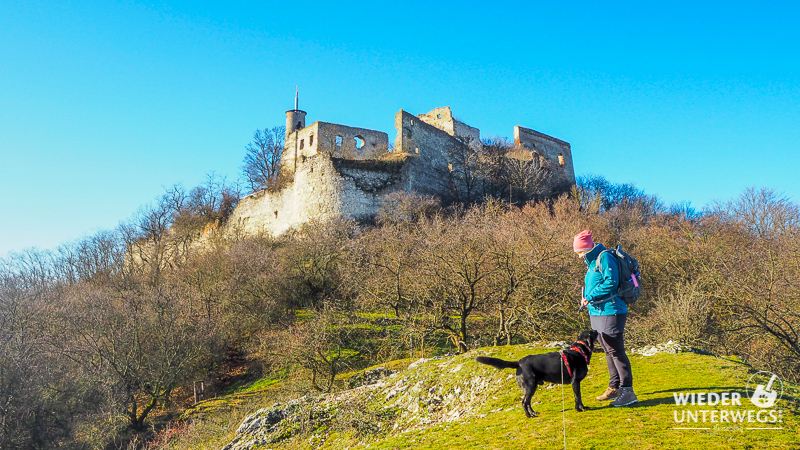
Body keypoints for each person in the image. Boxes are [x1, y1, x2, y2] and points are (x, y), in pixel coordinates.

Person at [573, 230, 638, 407]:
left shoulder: (604, 258)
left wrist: (591, 296)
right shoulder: (592, 261)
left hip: (611, 310)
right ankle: (614, 386)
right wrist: (586, 297)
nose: (579, 256)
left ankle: (628, 391)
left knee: (616, 350)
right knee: (607, 349)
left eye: (580, 252)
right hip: (597, 312)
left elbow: (611, 282)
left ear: (587, 248)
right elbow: (596, 283)